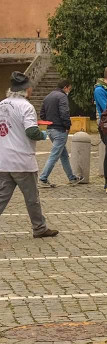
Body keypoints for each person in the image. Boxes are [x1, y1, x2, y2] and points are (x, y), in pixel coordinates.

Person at [0, 72, 59, 238]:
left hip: (3, 160)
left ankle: (40, 227)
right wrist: (43, 135)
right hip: (22, 160)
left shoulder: (2, 104)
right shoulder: (26, 106)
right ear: (25, 89)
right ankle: (39, 228)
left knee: (1, 198)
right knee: (32, 198)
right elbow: (31, 131)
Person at [38, 79, 83, 188]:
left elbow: (42, 114)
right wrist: (67, 125)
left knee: (63, 155)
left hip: (50, 129)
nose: (69, 91)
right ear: (66, 87)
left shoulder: (48, 96)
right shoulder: (62, 97)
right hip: (60, 129)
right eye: (69, 89)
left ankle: (71, 178)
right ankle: (43, 178)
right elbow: (64, 112)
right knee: (54, 155)